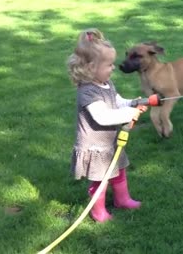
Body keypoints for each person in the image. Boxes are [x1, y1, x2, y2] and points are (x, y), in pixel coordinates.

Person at [67, 28, 147, 222]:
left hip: (109, 144)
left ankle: (123, 199)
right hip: (95, 146)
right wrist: (129, 114)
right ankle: (98, 211)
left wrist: (131, 104)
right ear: (91, 68)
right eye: (109, 65)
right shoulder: (87, 92)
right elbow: (102, 117)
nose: (113, 68)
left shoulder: (107, 83)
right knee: (100, 179)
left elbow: (116, 101)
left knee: (119, 170)